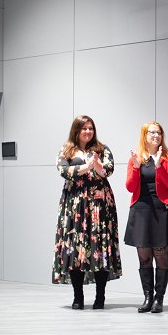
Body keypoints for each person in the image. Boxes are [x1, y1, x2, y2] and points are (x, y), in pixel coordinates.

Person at [53, 115, 122, 310]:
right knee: (76, 249)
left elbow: (109, 170)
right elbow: (64, 171)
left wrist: (97, 166)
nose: (88, 132)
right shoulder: (67, 149)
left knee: (99, 249)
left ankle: (100, 298)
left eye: (90, 128)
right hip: (74, 206)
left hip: (100, 205)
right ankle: (78, 297)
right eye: (84, 128)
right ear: (76, 130)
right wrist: (87, 167)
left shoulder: (101, 149)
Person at [124, 121, 168, 313]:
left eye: (159, 133)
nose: (156, 136)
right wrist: (135, 167)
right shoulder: (136, 158)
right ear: (144, 135)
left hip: (161, 208)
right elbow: (130, 187)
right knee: (144, 257)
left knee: (161, 254)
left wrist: (159, 167)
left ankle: (159, 299)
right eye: (152, 133)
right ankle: (148, 298)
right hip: (140, 209)